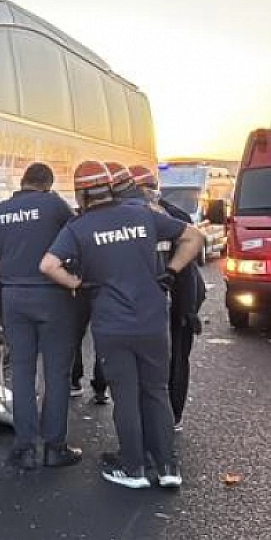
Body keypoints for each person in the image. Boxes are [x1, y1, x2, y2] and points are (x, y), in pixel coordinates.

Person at [40, 161, 204, 489]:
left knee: (126, 396)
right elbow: (194, 236)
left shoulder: (78, 228)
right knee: (156, 391)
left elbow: (48, 265)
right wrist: (171, 272)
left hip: (112, 324)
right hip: (153, 320)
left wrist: (75, 282)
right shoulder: (143, 215)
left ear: (82, 194)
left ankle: (133, 468)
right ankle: (168, 467)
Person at [0, 163, 80, 470]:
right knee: (56, 373)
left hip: (14, 297)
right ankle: (54, 448)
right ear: (47, 185)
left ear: (22, 182)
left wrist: (9, 278)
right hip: (53, 296)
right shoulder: (54, 206)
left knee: (21, 372)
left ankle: (25, 448)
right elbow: (76, 240)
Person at [131, 165, 208, 429]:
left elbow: (189, 266)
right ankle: (161, 414)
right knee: (163, 357)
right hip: (167, 293)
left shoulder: (169, 216)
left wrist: (187, 310)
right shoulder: (167, 214)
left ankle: (172, 415)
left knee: (176, 354)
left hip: (179, 293)